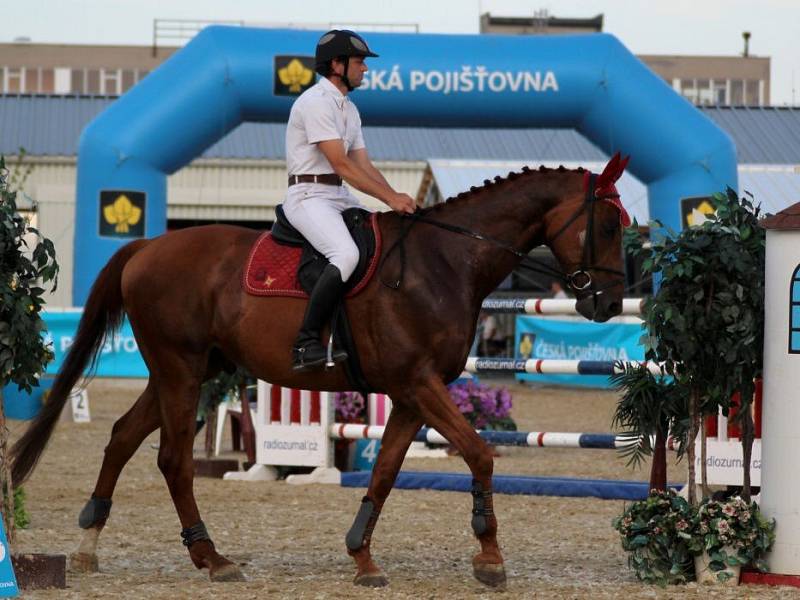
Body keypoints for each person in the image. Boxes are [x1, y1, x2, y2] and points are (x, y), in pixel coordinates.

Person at [283, 30, 417, 372]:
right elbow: (341, 163)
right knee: (346, 253)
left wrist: (394, 201)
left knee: (381, 238)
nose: (365, 69)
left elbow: (363, 165)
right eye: (359, 62)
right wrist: (389, 197)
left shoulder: (349, 109)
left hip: (337, 194)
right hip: (308, 195)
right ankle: (306, 342)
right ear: (337, 65)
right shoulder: (314, 102)